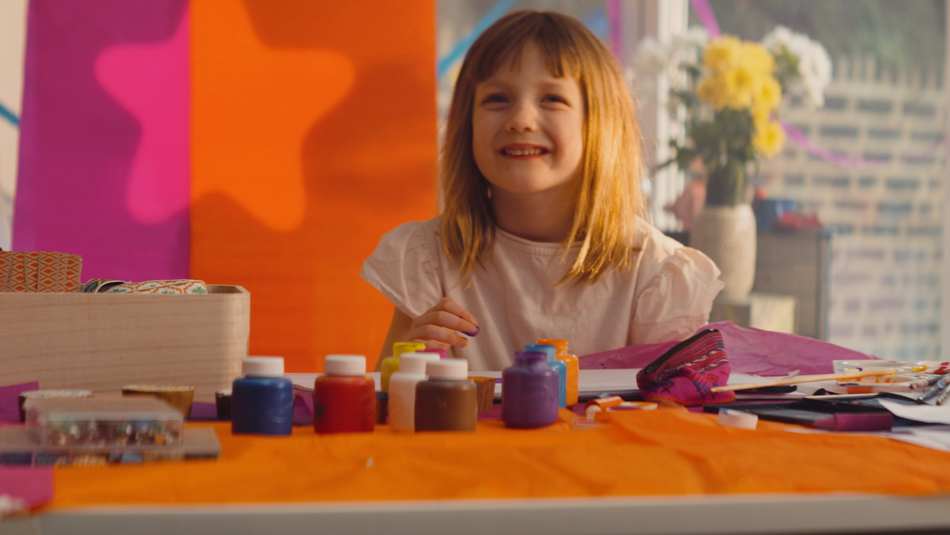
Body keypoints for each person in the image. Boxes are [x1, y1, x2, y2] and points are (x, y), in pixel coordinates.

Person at [361, 10, 723, 371]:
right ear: (466, 123)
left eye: (551, 98)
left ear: (597, 123)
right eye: (497, 98)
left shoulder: (657, 275)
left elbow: (668, 419)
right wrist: (407, 363)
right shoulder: (428, 258)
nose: (520, 120)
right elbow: (384, 412)